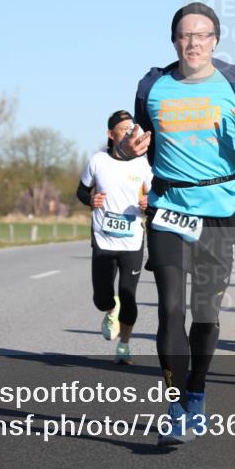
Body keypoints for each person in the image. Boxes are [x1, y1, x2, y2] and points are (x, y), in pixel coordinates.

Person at [119, 2, 235, 445]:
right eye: (186, 35)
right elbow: (136, 145)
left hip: (220, 209)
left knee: (206, 314)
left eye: (202, 35)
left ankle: (198, 392)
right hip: (168, 208)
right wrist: (130, 151)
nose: (194, 43)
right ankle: (175, 404)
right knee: (170, 309)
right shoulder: (154, 88)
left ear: (215, 41)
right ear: (174, 41)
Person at [77, 110, 152, 364]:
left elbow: (155, 198)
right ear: (111, 134)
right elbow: (81, 191)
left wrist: (147, 203)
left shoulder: (143, 163)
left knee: (129, 295)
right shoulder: (97, 160)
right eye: (124, 129)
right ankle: (110, 309)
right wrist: (90, 199)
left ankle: (124, 345)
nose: (132, 132)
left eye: (134, 128)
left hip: (132, 241)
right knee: (101, 298)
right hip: (103, 239)